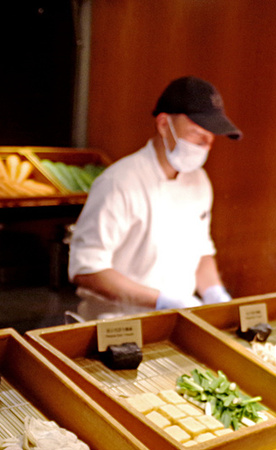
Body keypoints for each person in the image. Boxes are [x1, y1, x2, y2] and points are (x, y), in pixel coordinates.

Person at [68, 76, 240, 316]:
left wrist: (215, 294)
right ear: (163, 125)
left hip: (176, 322)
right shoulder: (118, 182)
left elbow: (201, 251)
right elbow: (88, 269)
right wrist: (162, 301)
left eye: (211, 138)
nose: (206, 145)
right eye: (197, 134)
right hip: (117, 324)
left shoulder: (199, 181)